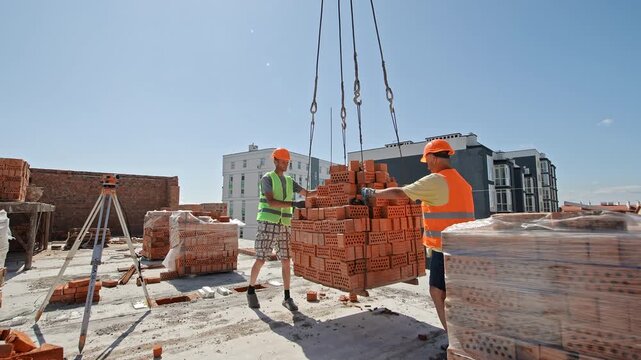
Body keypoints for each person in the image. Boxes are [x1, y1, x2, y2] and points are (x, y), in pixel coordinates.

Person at [361, 139, 474, 332]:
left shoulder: (436, 180)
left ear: (433, 157)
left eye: (427, 161)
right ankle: (463, 336)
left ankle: (455, 339)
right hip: (464, 248)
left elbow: (401, 192)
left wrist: (373, 193)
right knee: (456, 295)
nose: (427, 166)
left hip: (444, 249)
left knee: (437, 292)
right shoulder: (462, 182)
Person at [247, 147, 315, 311]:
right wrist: (293, 204)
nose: (285, 164)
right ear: (275, 160)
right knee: (261, 258)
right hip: (268, 222)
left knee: (286, 260)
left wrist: (328, 191)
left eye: (287, 162)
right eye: (283, 161)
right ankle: (250, 290)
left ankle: (287, 297)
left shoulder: (290, 181)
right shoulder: (267, 178)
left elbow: (307, 193)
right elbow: (271, 202)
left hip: (285, 224)